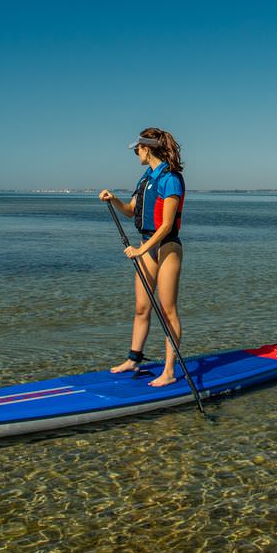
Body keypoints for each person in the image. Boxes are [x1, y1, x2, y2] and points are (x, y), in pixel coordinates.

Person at [98, 128, 186, 387]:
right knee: (141, 307)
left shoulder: (170, 179)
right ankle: (133, 359)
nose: (135, 153)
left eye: (137, 149)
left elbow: (167, 225)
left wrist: (141, 250)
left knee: (167, 310)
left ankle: (169, 371)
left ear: (147, 149)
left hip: (166, 247)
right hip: (147, 245)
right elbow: (130, 211)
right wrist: (113, 199)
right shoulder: (146, 178)